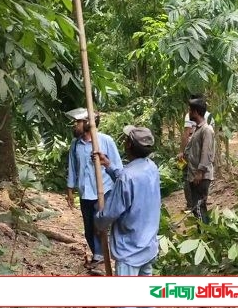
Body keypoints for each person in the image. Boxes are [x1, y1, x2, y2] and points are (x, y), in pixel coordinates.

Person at [94, 125, 161, 278]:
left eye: (126, 140)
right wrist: (109, 165)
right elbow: (130, 182)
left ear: (129, 145)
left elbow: (110, 212)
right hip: (148, 246)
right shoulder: (152, 168)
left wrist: (98, 222)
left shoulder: (127, 177)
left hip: (130, 250)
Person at [65, 107, 123, 268]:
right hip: (85, 192)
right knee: (88, 228)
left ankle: (100, 257)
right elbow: (72, 167)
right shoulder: (75, 144)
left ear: (88, 124)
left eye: (78, 122)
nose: (75, 126)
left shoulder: (105, 141)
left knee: (100, 226)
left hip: (104, 190)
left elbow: (117, 166)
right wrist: (70, 190)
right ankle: (97, 254)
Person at [177, 94, 215, 212]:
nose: (188, 113)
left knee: (199, 208)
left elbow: (206, 152)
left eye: (190, 110)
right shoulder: (198, 129)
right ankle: (202, 230)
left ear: (196, 112)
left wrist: (200, 172)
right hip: (194, 174)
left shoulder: (206, 130)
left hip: (201, 176)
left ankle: (204, 230)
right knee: (196, 208)